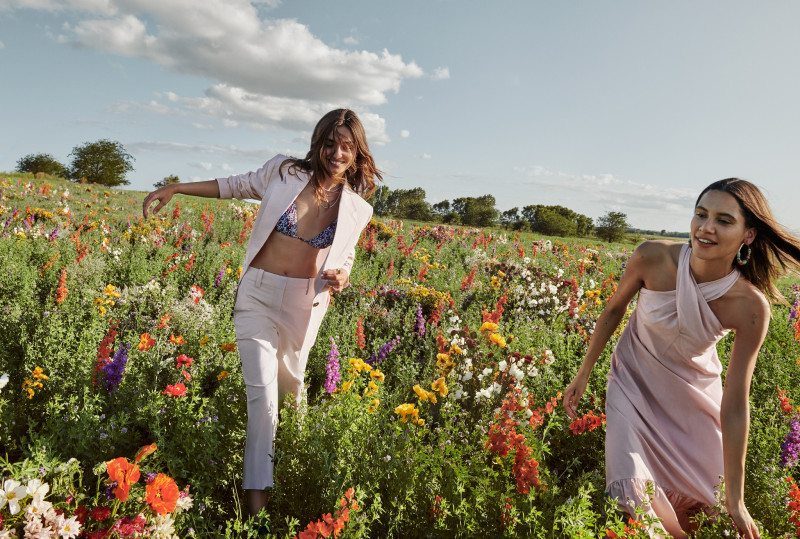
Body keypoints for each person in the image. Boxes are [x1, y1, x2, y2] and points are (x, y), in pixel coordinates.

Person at [142, 109, 381, 518]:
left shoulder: (359, 208)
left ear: (357, 153)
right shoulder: (284, 171)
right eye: (330, 143)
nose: (336, 153)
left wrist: (344, 274)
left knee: (292, 396)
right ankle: (255, 512)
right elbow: (234, 185)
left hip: (304, 304)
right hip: (256, 295)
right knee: (264, 399)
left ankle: (301, 474)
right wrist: (177, 187)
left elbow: (347, 255)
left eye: (346, 146)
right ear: (318, 142)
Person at [563, 178, 800, 539]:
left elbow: (736, 402)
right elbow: (613, 310)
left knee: (704, 511)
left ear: (748, 235)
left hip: (693, 401)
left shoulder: (751, 306)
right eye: (701, 214)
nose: (706, 227)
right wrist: (583, 373)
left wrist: (737, 500)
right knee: (632, 492)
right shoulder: (652, 256)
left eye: (723, 220)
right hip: (631, 386)